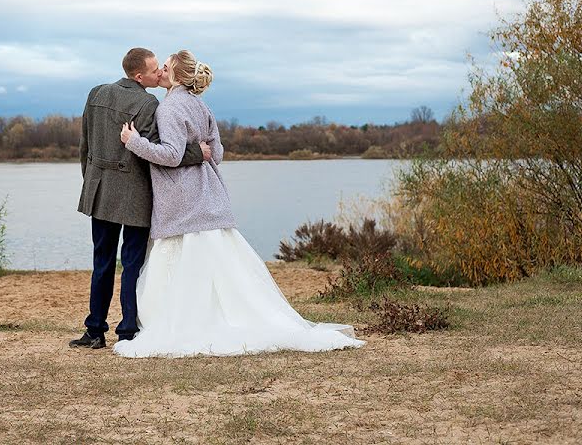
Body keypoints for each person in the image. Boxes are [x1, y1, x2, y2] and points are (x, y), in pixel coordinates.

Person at [115, 50, 365, 357]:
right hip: (210, 196)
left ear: (177, 76)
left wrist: (134, 142)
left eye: (166, 67)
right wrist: (199, 151)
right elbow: (216, 154)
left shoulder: (168, 109)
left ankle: (188, 324)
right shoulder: (202, 106)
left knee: (182, 266)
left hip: (183, 201)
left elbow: (170, 156)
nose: (161, 71)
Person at [70, 48, 210, 350]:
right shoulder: (148, 103)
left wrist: (92, 181)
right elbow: (160, 154)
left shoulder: (96, 93)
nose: (160, 72)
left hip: (100, 191)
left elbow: (85, 146)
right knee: (132, 263)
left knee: (102, 262)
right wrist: (199, 152)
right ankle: (128, 330)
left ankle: (94, 330)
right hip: (136, 194)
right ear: (139, 76)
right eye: (154, 69)